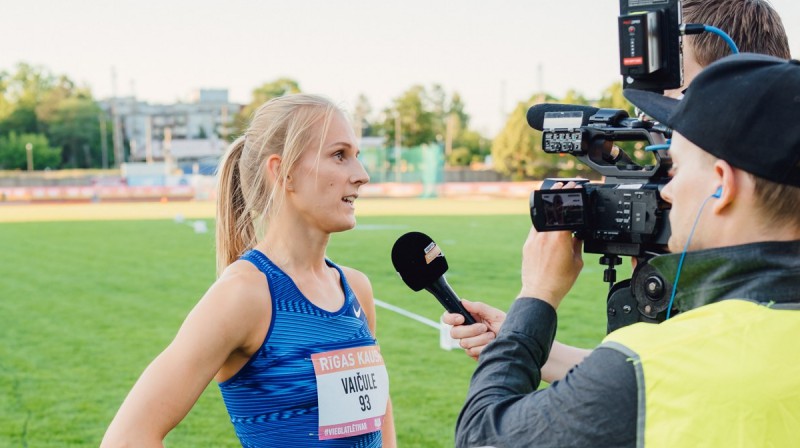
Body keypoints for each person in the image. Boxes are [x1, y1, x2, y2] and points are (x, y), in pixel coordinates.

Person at [455, 52, 800, 447]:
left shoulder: (652, 363)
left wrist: (537, 295)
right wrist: (526, 339)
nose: (666, 191)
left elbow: (484, 436)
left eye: (675, 169)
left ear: (722, 185)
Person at [102, 94, 396, 447]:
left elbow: (376, 417)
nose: (361, 175)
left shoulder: (355, 288)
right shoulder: (244, 295)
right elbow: (128, 436)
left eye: (356, 157)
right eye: (339, 155)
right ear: (282, 172)